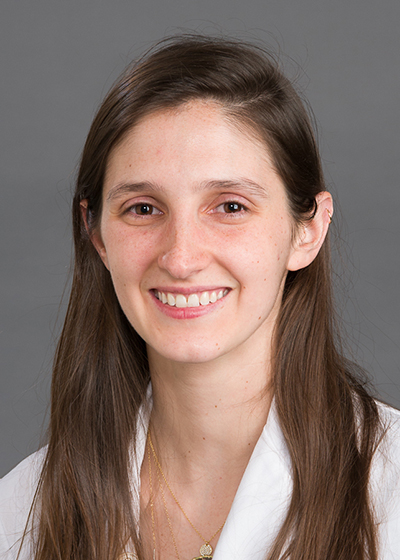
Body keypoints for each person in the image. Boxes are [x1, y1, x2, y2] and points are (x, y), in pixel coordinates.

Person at [1, 35, 399, 560]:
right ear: (96, 235)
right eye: (143, 209)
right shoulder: (20, 510)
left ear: (308, 231)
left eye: (230, 206)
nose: (181, 258)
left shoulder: (391, 491)